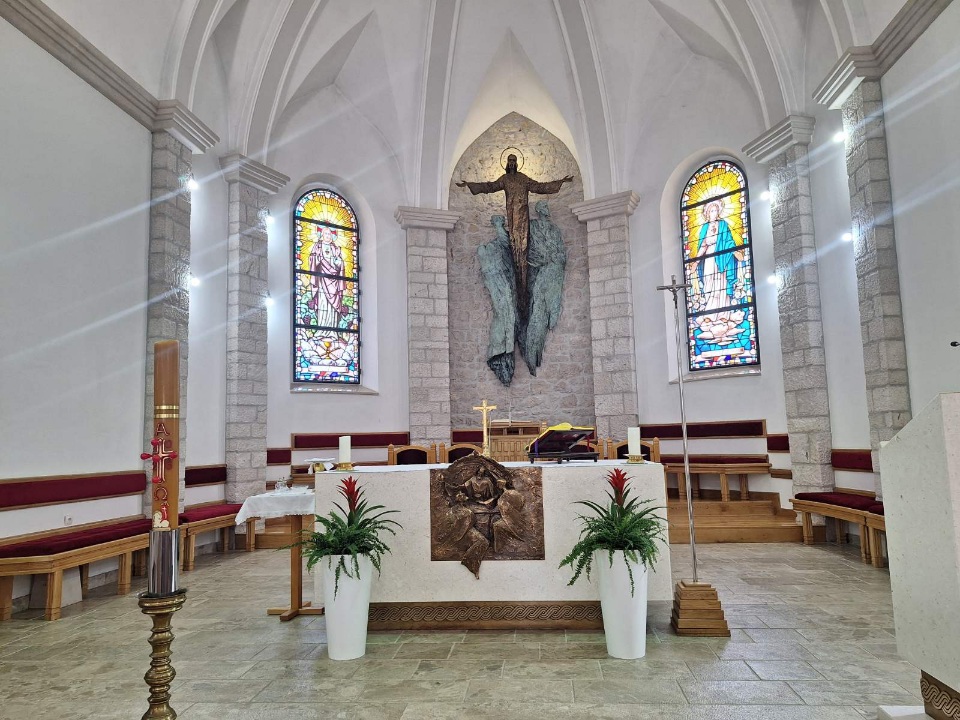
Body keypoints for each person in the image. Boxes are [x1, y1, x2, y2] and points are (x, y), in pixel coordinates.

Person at [457, 154, 573, 314]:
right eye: (509, 161)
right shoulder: (505, 179)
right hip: (512, 220)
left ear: (517, 163)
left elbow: (539, 187)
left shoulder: (523, 179)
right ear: (507, 163)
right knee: (515, 254)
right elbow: (490, 186)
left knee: (523, 253)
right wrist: (470, 184)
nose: (511, 163)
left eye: (514, 161)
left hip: (523, 220)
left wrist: (560, 182)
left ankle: (524, 296)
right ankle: (519, 296)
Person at [691, 200, 745, 312]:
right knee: (708, 279)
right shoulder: (705, 228)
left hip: (722, 257)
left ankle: (723, 311)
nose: (714, 213)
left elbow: (728, 240)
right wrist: (696, 262)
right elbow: (703, 246)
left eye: (716, 210)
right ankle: (709, 310)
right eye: (711, 211)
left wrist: (735, 252)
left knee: (721, 282)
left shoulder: (723, 224)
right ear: (707, 213)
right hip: (709, 257)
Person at [307, 226, 348, 328]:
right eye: (326, 233)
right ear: (322, 235)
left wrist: (338, 260)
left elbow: (339, 265)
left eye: (329, 234)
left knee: (333, 307)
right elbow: (312, 261)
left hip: (334, 280)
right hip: (322, 280)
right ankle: (322, 328)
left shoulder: (335, 248)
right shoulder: (317, 246)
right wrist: (317, 257)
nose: (328, 236)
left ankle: (333, 330)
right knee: (323, 303)